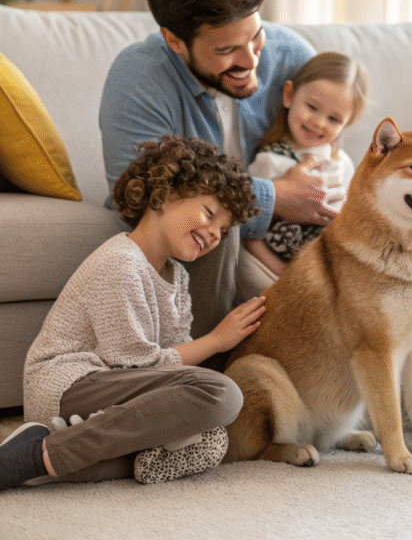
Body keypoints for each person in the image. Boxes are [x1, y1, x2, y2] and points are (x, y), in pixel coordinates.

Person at [99, 0, 334, 345]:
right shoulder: (137, 76)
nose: (250, 61)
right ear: (174, 41)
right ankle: (197, 374)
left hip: (283, 235)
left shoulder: (291, 54)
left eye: (255, 38)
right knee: (202, 217)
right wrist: (273, 197)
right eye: (226, 50)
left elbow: (332, 141)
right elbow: (140, 191)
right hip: (201, 244)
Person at [0, 135, 266, 490]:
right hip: (69, 387)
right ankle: (40, 455)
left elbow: (173, 367)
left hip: (115, 393)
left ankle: (42, 461)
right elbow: (138, 366)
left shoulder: (177, 278)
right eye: (209, 213)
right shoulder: (120, 264)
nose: (215, 234)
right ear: (167, 191)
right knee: (222, 395)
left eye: (223, 230)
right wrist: (217, 341)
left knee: (213, 440)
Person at [238, 51, 368, 291]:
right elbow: (248, 234)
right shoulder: (271, 160)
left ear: (345, 125)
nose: (319, 122)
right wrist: (285, 275)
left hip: (329, 269)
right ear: (289, 95)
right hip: (275, 273)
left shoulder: (344, 164)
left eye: (334, 119)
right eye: (312, 107)